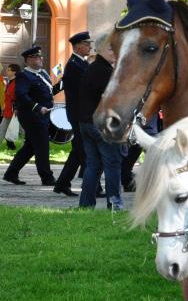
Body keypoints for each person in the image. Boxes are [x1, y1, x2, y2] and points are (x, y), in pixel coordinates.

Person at [3, 45, 62, 186]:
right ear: (27, 60)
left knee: (30, 146)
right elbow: (21, 95)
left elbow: (50, 92)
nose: (40, 59)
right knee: (42, 146)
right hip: (31, 115)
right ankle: (47, 178)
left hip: (43, 115)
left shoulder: (43, 74)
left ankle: (11, 173)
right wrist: (37, 107)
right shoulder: (24, 76)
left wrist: (63, 83)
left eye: (40, 56)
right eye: (36, 57)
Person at [78, 35, 124, 210]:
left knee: (93, 166)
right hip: (100, 125)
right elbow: (114, 100)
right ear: (100, 50)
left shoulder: (93, 68)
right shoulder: (104, 71)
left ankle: (86, 204)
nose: (115, 52)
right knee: (112, 164)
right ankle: (115, 204)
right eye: (111, 48)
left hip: (87, 123)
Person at [53, 31, 93, 196]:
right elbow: (86, 89)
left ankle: (62, 184)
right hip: (78, 113)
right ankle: (91, 186)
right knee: (83, 149)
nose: (90, 46)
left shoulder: (81, 63)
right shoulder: (75, 65)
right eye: (87, 43)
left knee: (80, 149)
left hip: (81, 112)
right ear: (77, 46)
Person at [0, 63, 20, 149]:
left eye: (9, 70)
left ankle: (33, 146)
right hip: (8, 111)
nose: (6, 71)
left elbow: (18, 97)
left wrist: (16, 108)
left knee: (26, 131)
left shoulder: (18, 83)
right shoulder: (9, 82)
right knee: (2, 129)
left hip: (16, 111)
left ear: (14, 72)